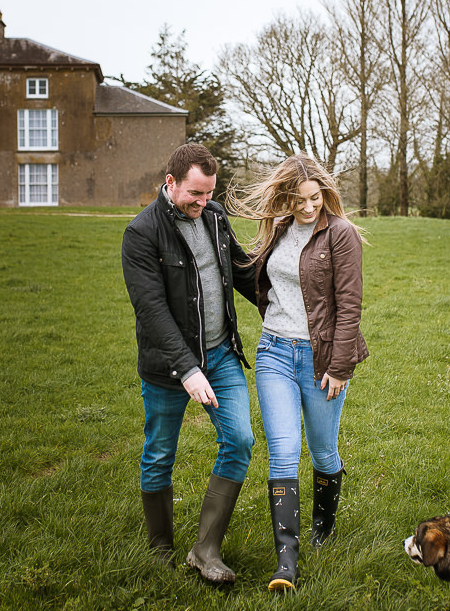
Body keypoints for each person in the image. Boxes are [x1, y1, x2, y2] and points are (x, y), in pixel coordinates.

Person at [228, 153, 368, 591]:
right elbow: (252, 277)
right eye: (299, 200)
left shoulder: (340, 235)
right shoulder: (279, 230)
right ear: (285, 199)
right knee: (284, 451)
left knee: (323, 451)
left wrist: (341, 365)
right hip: (273, 351)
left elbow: (349, 305)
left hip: (321, 358)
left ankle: (323, 530)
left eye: (315, 198)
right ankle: (286, 562)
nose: (309, 208)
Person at [121, 143, 257, 584]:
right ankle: (160, 550)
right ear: (170, 182)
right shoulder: (141, 233)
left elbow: (240, 271)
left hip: (219, 354)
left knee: (239, 440)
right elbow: (152, 311)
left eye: (208, 194)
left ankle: (206, 549)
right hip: (167, 367)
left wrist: (290, 307)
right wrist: (188, 369)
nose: (202, 203)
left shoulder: (215, 216)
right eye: (195, 194)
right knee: (160, 453)